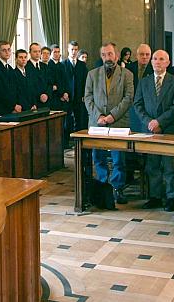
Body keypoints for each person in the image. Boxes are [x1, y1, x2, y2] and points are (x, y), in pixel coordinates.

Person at [134, 50, 174, 211]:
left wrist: (159, 122)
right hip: (149, 130)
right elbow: (138, 104)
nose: (157, 61)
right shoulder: (144, 82)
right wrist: (149, 122)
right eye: (155, 59)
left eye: (161, 59)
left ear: (168, 63)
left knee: (170, 166)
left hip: (169, 129)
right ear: (151, 62)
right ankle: (155, 196)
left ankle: (171, 197)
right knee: (152, 165)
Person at [84, 42, 134, 205]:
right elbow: (88, 98)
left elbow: (128, 98)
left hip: (118, 123)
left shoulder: (127, 74)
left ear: (117, 55)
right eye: (104, 55)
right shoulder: (92, 74)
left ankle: (117, 188)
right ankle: (103, 187)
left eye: (110, 54)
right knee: (98, 158)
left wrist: (112, 116)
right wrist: (98, 116)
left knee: (118, 158)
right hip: (97, 123)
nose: (107, 58)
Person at [62, 40, 89, 137]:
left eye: (76, 50)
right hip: (67, 97)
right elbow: (61, 81)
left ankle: (79, 140)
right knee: (67, 120)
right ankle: (67, 141)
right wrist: (63, 93)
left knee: (80, 119)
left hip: (79, 96)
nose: (74, 52)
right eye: (72, 49)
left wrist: (84, 95)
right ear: (68, 50)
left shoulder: (82, 65)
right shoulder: (63, 64)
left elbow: (86, 82)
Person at [127, 43, 153, 131]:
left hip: (148, 108)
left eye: (147, 54)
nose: (145, 57)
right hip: (131, 106)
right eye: (142, 54)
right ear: (136, 55)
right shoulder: (129, 68)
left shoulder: (154, 69)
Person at [26, 42, 51, 108]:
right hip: (33, 103)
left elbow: (49, 83)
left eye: (39, 51)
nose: (37, 53)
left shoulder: (44, 66)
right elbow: (28, 86)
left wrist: (46, 95)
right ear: (30, 52)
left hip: (46, 101)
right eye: (35, 51)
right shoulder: (26, 67)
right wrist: (39, 96)